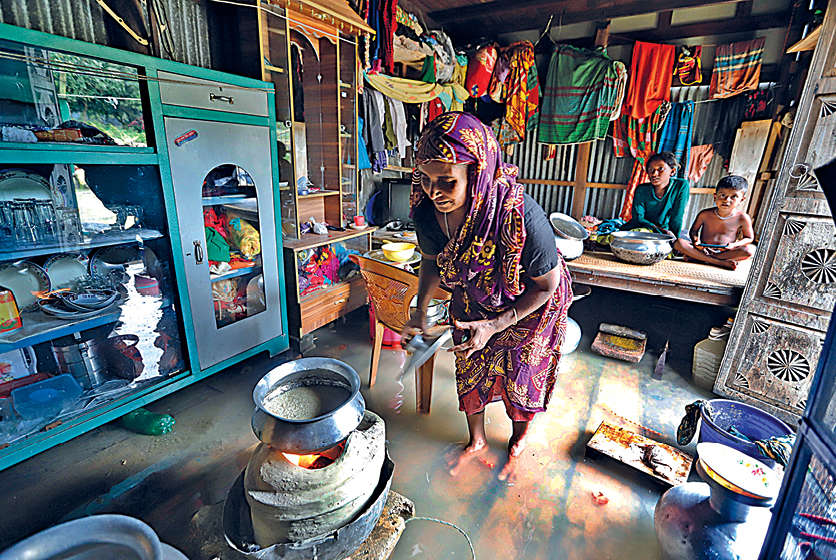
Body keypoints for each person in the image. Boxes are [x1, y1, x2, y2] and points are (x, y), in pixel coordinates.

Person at [403, 112, 573, 480]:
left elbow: (547, 285)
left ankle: (518, 438)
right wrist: (420, 309)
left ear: (477, 172)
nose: (434, 192)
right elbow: (431, 261)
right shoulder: (427, 212)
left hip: (531, 301)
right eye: (426, 179)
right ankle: (477, 439)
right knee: (470, 364)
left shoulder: (520, 216)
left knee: (522, 373)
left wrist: (497, 324)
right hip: (474, 294)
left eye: (447, 182)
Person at [674, 175, 755, 270]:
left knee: (749, 251)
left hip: (725, 252)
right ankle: (718, 262)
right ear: (715, 196)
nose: (726, 200)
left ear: (741, 200)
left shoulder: (743, 218)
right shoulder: (704, 214)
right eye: (722, 195)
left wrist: (734, 245)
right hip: (704, 249)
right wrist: (696, 241)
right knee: (679, 243)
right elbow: (693, 231)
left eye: (734, 196)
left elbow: (749, 238)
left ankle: (701, 258)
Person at [621, 152, 690, 238]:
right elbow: (638, 218)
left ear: (672, 171)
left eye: (660, 169)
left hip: (663, 232)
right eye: (651, 170)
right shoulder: (641, 190)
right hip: (641, 229)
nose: (654, 174)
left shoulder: (681, 186)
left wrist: (674, 239)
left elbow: (677, 217)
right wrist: (661, 231)